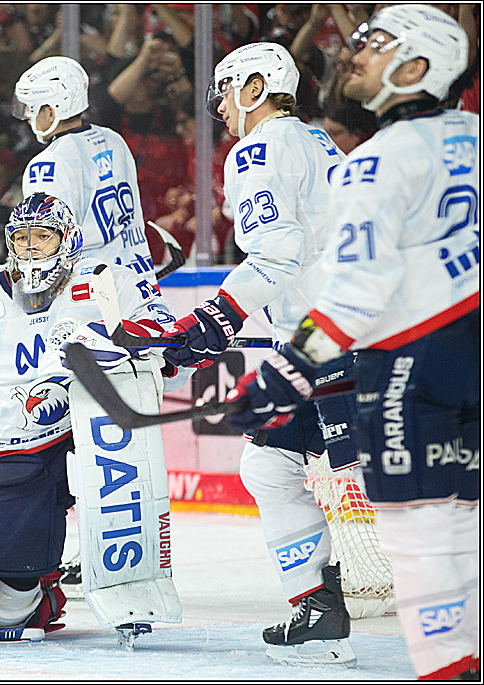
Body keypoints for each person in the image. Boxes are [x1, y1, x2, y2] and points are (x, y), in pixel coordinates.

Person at [225, 6, 479, 680]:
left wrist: (285, 367)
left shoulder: (375, 159)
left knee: (425, 540)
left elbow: (349, 293)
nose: (353, 52)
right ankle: (317, 600)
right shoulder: (472, 136)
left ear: (418, 68)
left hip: (408, 368)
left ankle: (446, 665)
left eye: (374, 44)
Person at [0, 192, 188, 644]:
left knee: (120, 445)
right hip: (19, 435)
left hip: (99, 424)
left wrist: (155, 346)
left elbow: (169, 359)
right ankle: (40, 589)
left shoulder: (106, 282)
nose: (31, 248)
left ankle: (131, 580)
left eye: (43, 236)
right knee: (5, 612)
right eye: (21, 237)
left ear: (68, 239)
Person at [161, 42, 362, 666]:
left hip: (329, 339)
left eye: (225, 91)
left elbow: (278, 253)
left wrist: (215, 318)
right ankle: (318, 603)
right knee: (272, 465)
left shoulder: (260, 147)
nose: (220, 107)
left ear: (255, 87)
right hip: (339, 332)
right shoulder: (316, 141)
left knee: (377, 479)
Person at [12, 55, 160, 278]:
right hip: (137, 277)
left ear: (51, 112)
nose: (26, 114)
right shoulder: (114, 140)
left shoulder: (46, 164)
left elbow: (45, 245)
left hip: (87, 291)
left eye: (32, 108)